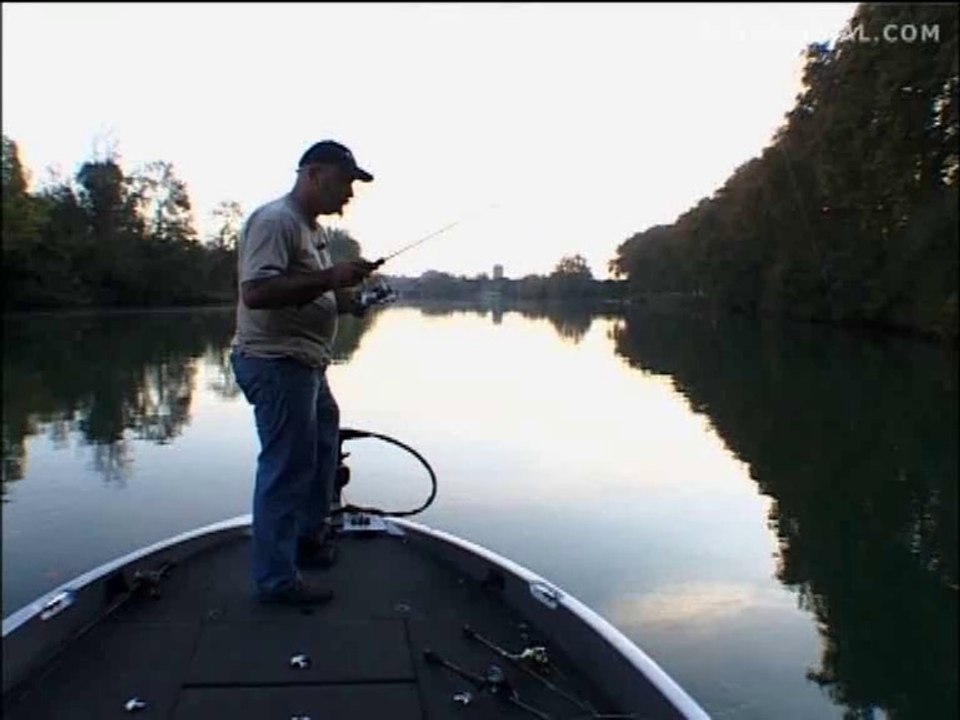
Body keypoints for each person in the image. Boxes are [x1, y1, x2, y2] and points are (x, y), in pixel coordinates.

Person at [230, 140, 380, 606]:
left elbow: (309, 289)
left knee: (321, 447)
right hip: (276, 363)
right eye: (345, 182)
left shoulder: (311, 231)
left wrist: (348, 299)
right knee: (286, 467)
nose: (350, 194)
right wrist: (330, 278)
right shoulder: (275, 221)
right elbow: (257, 292)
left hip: (307, 363)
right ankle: (276, 581)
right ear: (314, 174)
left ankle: (307, 541)